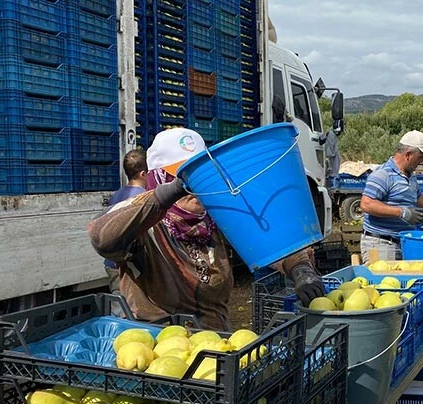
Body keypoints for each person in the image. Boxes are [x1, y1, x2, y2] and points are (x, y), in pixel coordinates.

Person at [89, 128, 325, 331]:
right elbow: (102, 238)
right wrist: (171, 192)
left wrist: (300, 268)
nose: (195, 185)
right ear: (160, 179)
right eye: (183, 176)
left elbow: (270, 243)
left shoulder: (216, 219)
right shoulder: (146, 228)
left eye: (202, 174)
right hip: (159, 347)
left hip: (215, 348)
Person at [360, 130, 423, 261]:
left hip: (403, 242)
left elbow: (420, 198)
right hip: (382, 244)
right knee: (383, 279)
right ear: (408, 155)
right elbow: (366, 204)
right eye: (420, 157)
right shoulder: (383, 174)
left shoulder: (410, 176)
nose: (422, 161)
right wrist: (402, 212)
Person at [103, 149, 149, 312]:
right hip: (133, 266)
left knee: (118, 305)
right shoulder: (145, 198)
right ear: (144, 173)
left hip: (113, 263)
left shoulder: (116, 196)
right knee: (138, 309)